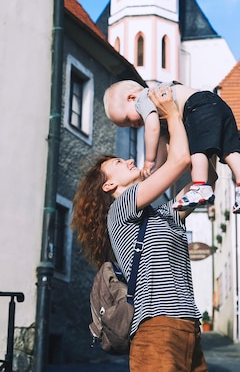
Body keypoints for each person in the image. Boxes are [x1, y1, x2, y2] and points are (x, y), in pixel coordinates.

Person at [71, 86, 209, 372]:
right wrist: (171, 112)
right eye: (120, 163)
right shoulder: (119, 210)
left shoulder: (162, 214)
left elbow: (207, 181)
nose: (130, 160)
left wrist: (207, 124)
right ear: (109, 186)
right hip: (155, 327)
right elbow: (180, 160)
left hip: (188, 326)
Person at [103, 79, 240, 214]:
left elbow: (153, 130)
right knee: (230, 151)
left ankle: (199, 186)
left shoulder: (144, 98)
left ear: (131, 98)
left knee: (197, 150)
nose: (133, 125)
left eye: (128, 119)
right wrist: (158, 166)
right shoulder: (157, 105)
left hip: (197, 106)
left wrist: (149, 161)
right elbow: (163, 141)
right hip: (217, 104)